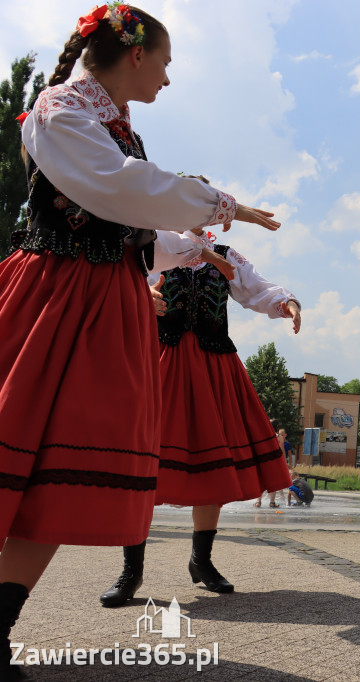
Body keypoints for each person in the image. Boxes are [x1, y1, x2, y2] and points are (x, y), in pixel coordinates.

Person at [0, 4, 280, 675]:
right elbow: (119, 191)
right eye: (165, 62)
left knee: (60, 479)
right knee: (21, 456)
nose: (168, 78)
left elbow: (135, 226)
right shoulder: (61, 107)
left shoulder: (118, 129)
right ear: (134, 54)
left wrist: (197, 249)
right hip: (56, 298)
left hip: (103, 308)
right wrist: (219, 204)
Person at [99, 225, 299, 607]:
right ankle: (131, 570)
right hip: (159, 361)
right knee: (142, 464)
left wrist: (287, 303)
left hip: (213, 366)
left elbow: (256, 286)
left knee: (213, 467)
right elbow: (118, 282)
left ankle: (201, 561)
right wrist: (143, 294)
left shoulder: (223, 253)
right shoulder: (152, 246)